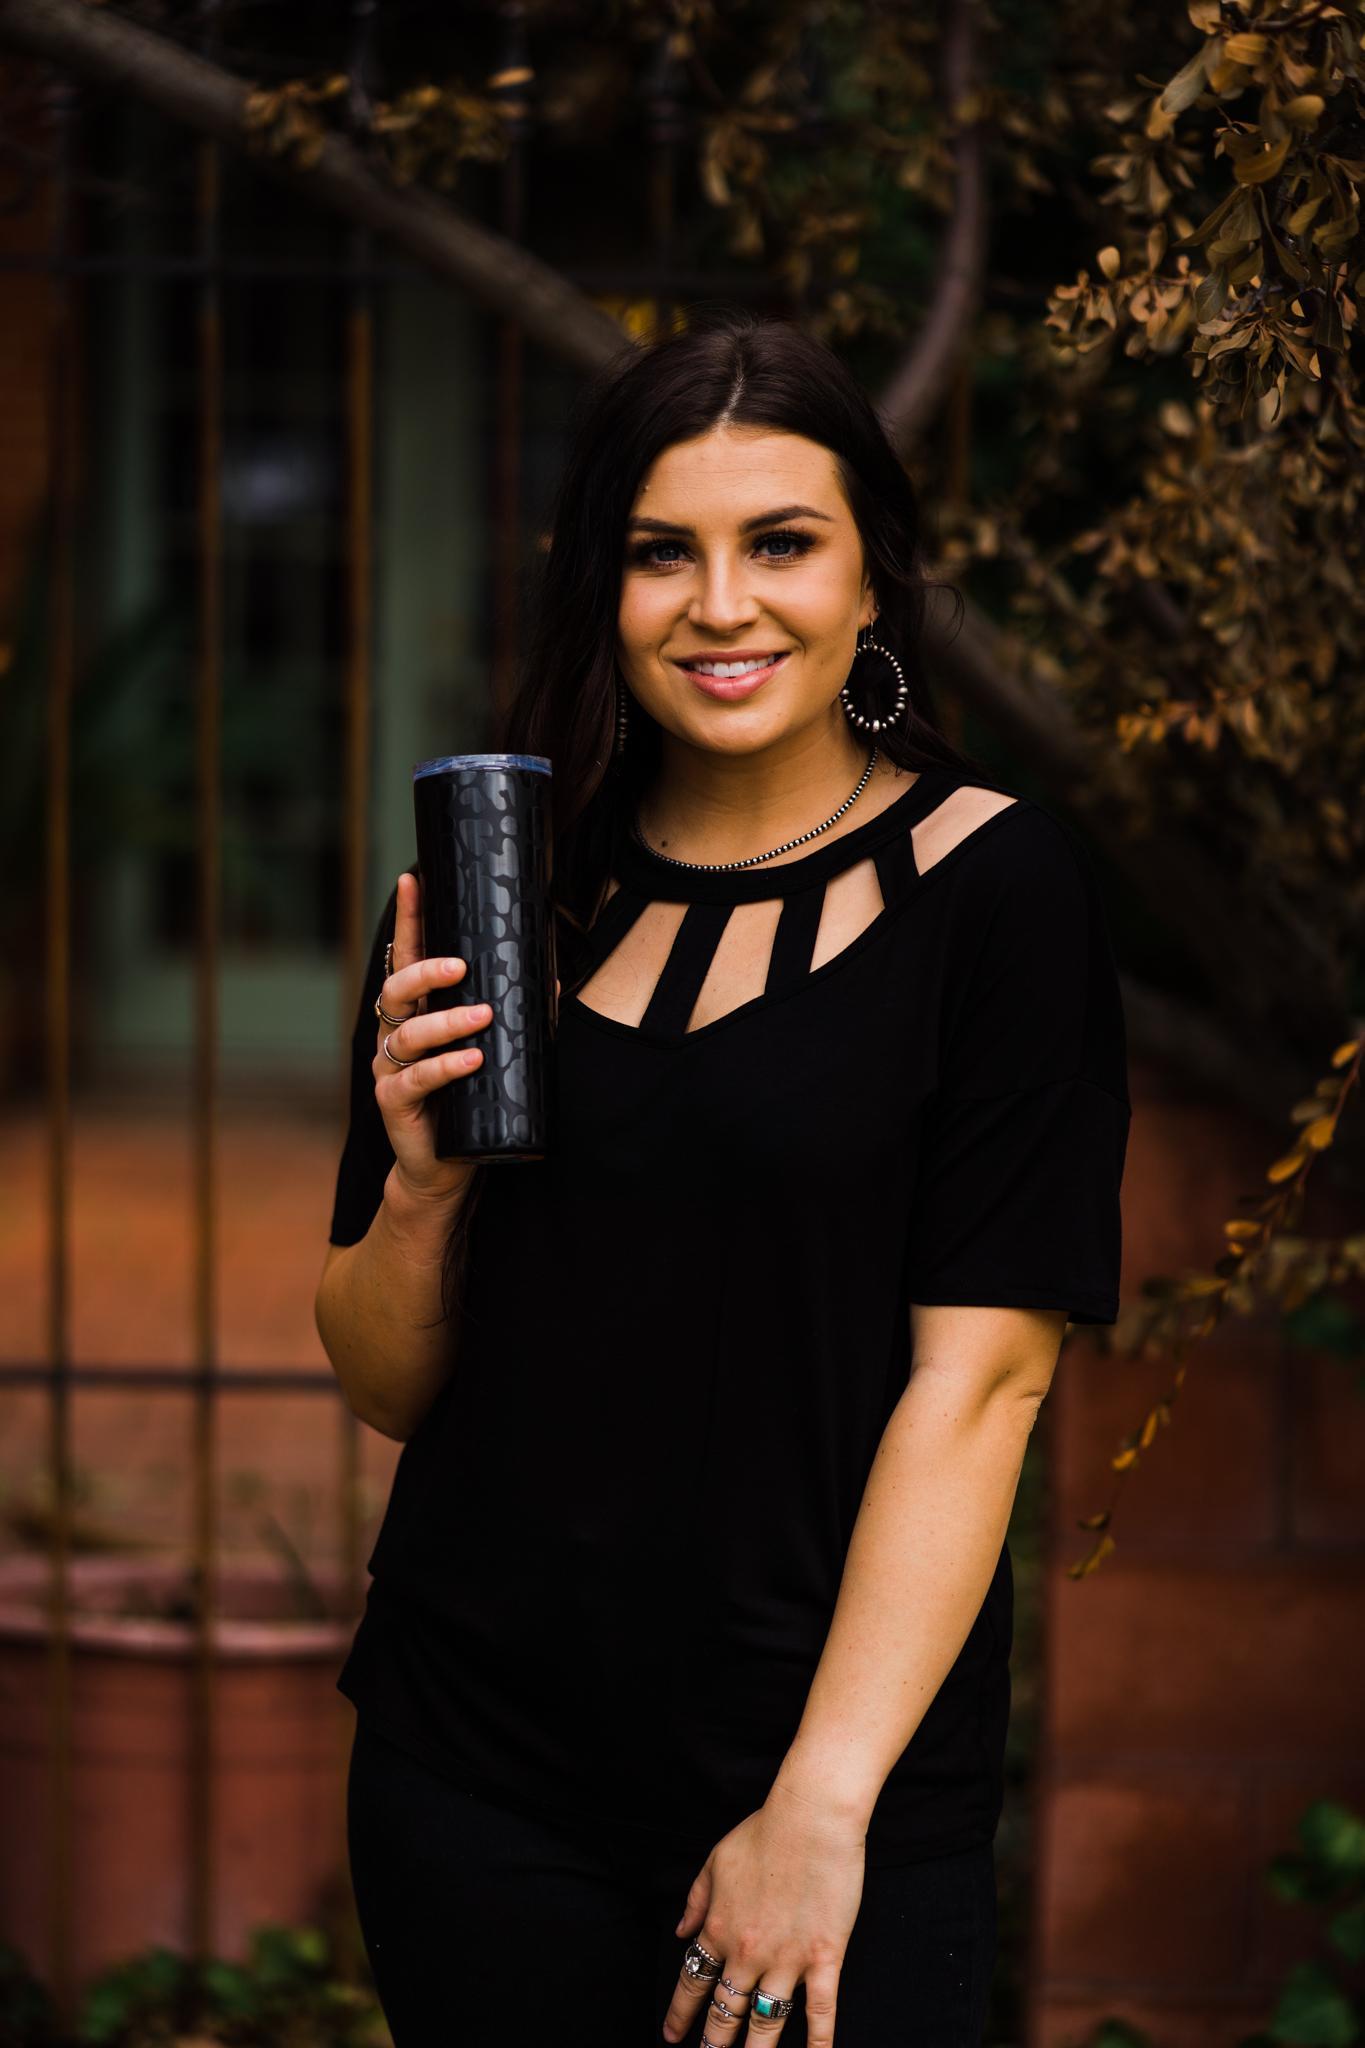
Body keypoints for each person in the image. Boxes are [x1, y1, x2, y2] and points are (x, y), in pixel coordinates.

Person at [314, 309, 1131, 2048]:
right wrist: (423, 1189)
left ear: (870, 575)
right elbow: (387, 1389)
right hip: (477, 1774)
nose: (720, 604)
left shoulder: (995, 894)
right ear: (601, 588)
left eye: (779, 543)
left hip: (823, 1785)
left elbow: (980, 1386)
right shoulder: (508, 883)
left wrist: (817, 1805)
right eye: (658, 552)